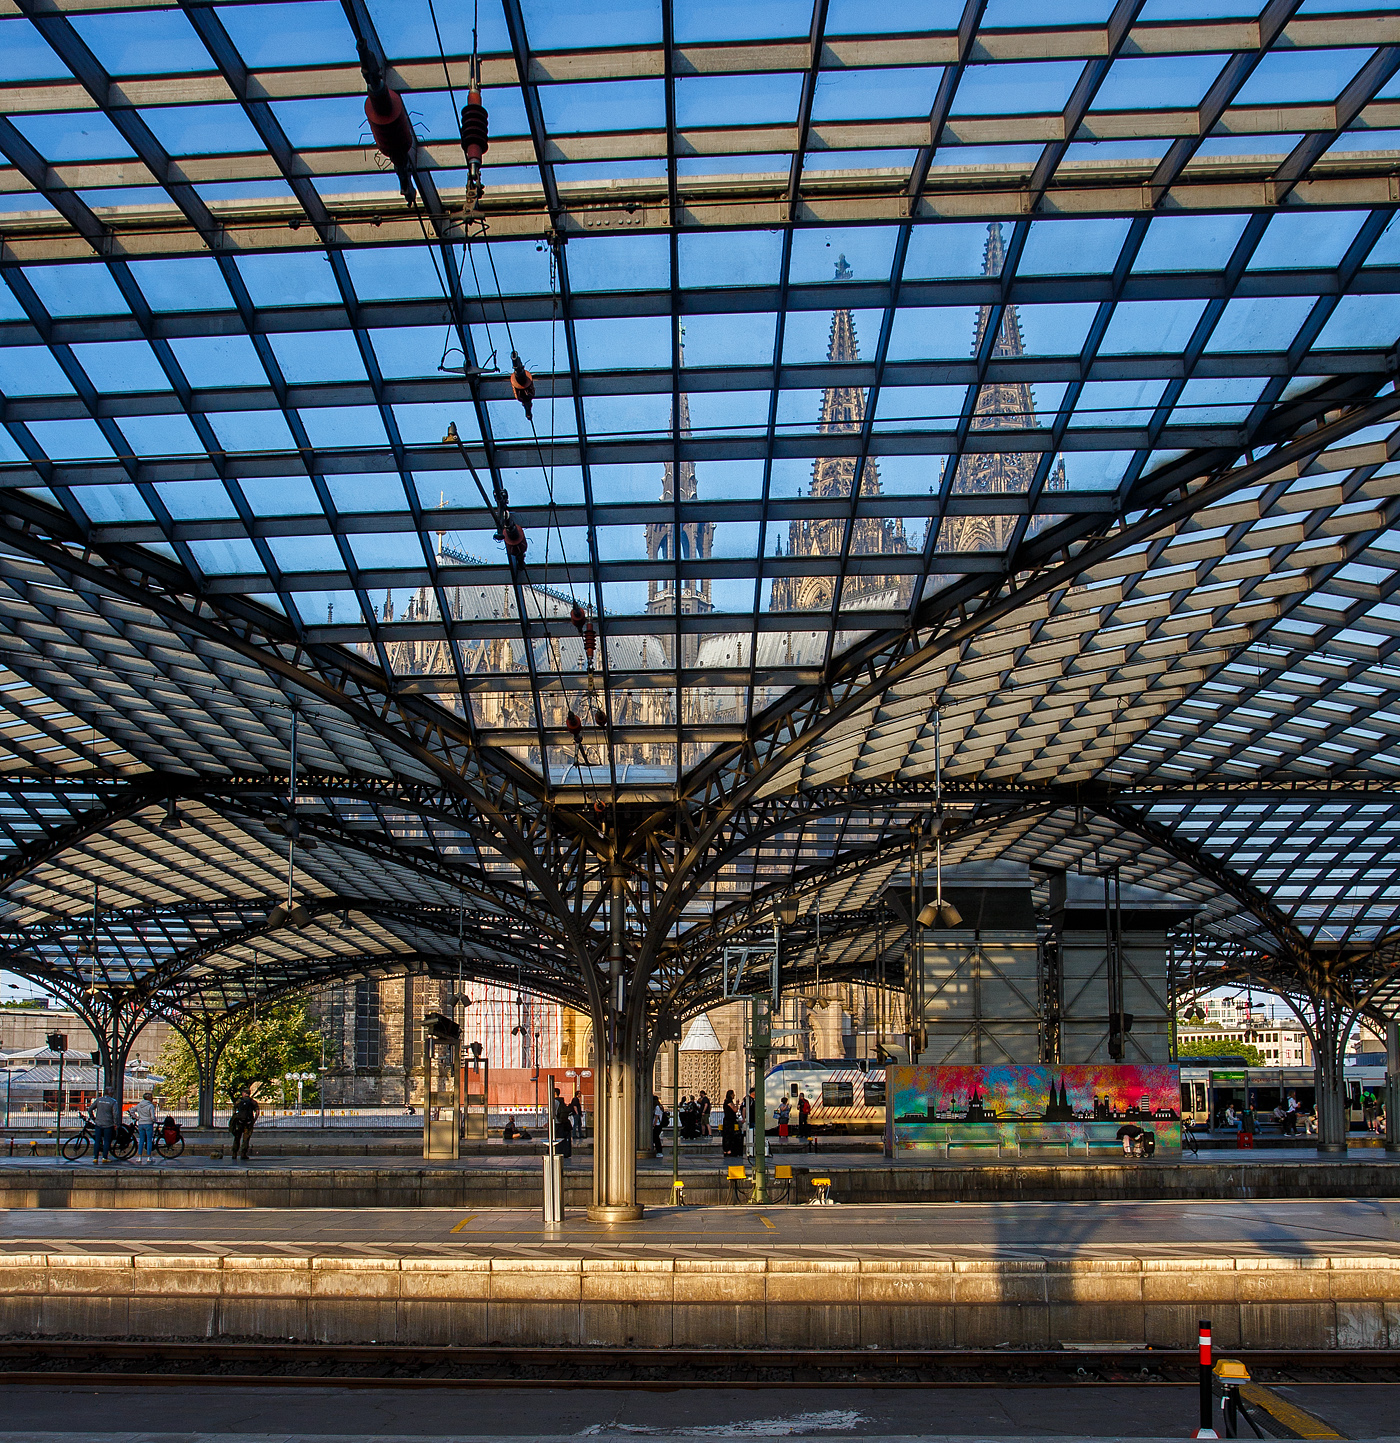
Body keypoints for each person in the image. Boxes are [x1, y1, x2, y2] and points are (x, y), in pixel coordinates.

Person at [89, 1087, 120, 1166]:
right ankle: (104, 1158)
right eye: (112, 1091)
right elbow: (115, 1114)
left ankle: (95, 1158)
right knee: (107, 1141)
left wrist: (93, 1118)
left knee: (97, 1140)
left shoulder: (99, 1100)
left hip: (98, 1123)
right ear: (110, 1093)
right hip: (108, 1124)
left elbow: (90, 1109)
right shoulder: (113, 1101)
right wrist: (115, 1123)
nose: (113, 1093)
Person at [229, 1086, 259, 1161]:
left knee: (237, 1137)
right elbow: (257, 1112)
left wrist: (235, 1116)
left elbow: (234, 1109)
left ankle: (234, 1153)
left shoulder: (239, 1101)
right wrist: (253, 1121)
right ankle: (243, 1154)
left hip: (239, 1122)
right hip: (248, 1123)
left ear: (243, 1093)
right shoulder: (253, 1101)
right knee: (246, 1139)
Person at [133, 1091, 157, 1166]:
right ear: (149, 1099)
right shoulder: (150, 1106)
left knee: (141, 1140)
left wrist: (136, 1117)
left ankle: (139, 1157)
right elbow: (152, 1116)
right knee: (149, 1140)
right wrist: (154, 1120)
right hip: (148, 1123)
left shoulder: (139, 1105)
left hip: (141, 1123)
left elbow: (132, 1110)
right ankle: (148, 1157)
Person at [721, 1089, 741, 1157]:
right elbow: (735, 1110)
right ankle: (728, 1150)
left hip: (727, 1120)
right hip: (729, 1121)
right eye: (733, 1094)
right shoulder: (729, 1102)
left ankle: (725, 1150)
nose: (734, 1096)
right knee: (729, 1135)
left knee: (726, 1135)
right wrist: (737, 1104)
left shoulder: (726, 1102)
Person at [553, 1087, 572, 1159]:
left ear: (554, 1093)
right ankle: (564, 1152)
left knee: (556, 1139)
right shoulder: (561, 1101)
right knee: (562, 1139)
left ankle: (557, 1152)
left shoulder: (555, 1101)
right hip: (562, 1122)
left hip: (556, 1122)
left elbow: (553, 1113)